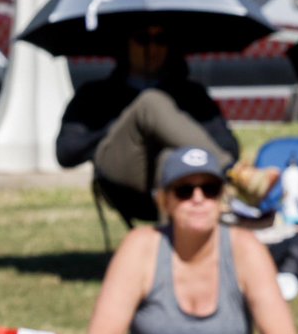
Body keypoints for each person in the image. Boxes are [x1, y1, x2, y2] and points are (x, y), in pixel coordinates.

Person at [84, 147, 298, 334]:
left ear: (221, 200)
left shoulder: (246, 249)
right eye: (184, 191)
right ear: (165, 201)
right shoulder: (141, 247)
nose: (198, 199)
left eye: (210, 189)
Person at [57, 22, 242, 218]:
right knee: (150, 103)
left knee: (170, 157)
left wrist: (178, 127)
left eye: (160, 40)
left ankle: (171, 245)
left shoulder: (190, 93)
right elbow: (66, 152)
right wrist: (124, 121)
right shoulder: (96, 93)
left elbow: (229, 146)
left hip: (182, 179)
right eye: (142, 40)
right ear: (126, 44)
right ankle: (236, 176)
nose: (152, 48)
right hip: (121, 177)